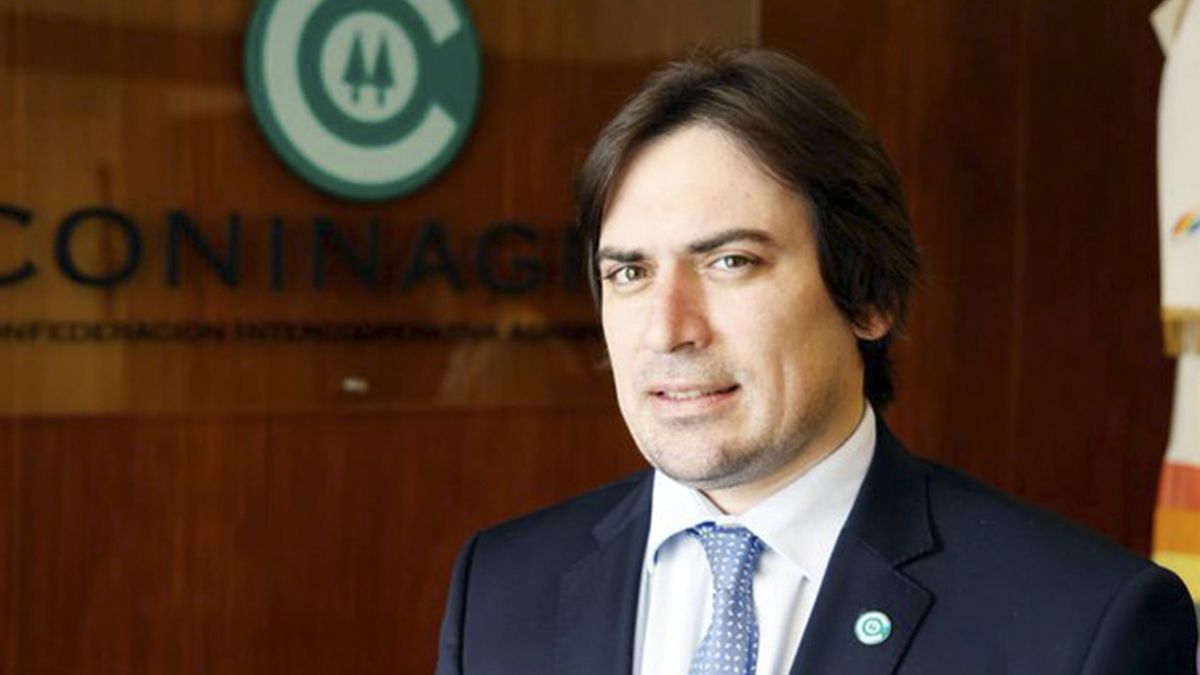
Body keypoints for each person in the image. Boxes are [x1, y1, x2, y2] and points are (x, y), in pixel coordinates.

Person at [435, 48, 1199, 675]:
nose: (667, 330)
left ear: (869, 296)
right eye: (630, 272)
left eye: (730, 261)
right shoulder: (499, 587)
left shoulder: (1083, 627)